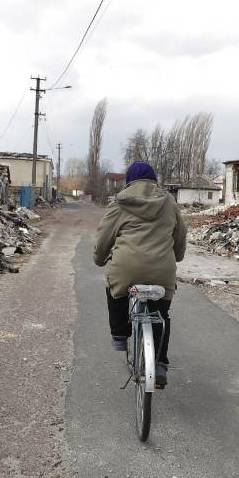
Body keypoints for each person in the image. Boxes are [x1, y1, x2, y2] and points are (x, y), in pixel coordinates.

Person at [93, 162, 187, 387]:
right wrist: (177, 255)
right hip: (162, 270)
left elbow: (104, 237)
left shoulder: (120, 204)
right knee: (161, 314)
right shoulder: (169, 202)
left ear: (129, 181)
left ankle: (119, 336)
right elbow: (180, 234)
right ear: (154, 180)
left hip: (127, 268)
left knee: (114, 287)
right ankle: (160, 364)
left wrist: (99, 259)